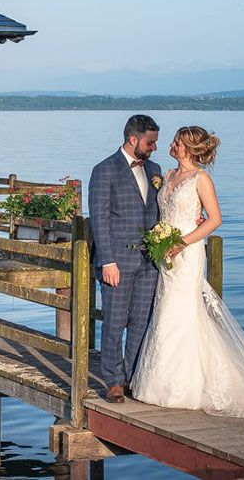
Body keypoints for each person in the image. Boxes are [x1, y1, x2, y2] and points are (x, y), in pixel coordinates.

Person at [130, 126, 244, 422]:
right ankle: (157, 384)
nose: (172, 144)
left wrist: (181, 242)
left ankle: (184, 388)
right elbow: (164, 213)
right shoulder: (166, 176)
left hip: (186, 253)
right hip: (165, 254)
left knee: (182, 311)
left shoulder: (201, 179)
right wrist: (160, 239)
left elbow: (215, 219)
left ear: (189, 149)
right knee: (165, 311)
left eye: (177, 141)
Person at [89, 115, 162, 403]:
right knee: (115, 323)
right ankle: (114, 382)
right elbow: (99, 218)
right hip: (117, 260)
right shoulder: (104, 170)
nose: (154, 147)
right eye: (150, 142)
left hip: (149, 262)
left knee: (141, 322)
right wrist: (107, 261)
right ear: (134, 140)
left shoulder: (155, 170)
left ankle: (133, 378)